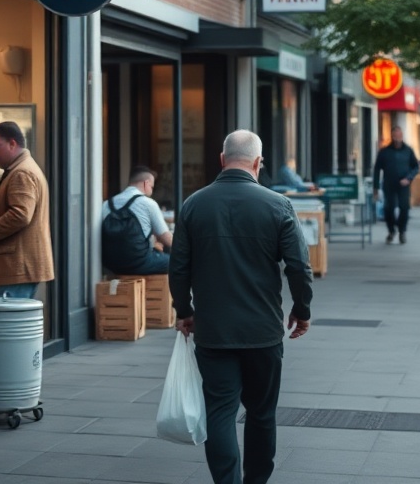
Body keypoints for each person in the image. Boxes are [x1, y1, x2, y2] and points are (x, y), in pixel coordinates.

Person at [169, 130, 313, 484]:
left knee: (219, 412)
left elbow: (178, 266)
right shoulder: (278, 205)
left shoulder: (194, 205)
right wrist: (302, 309)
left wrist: (184, 310)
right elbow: (299, 265)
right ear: (258, 163)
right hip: (262, 331)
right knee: (262, 414)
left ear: (222, 159)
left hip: (213, 331)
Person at [0, 121, 54, 298]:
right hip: (15, 269)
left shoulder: (21, 173)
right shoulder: (22, 169)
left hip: (14, 269)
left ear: (12, 144)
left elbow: (20, 215)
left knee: (6, 324)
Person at [100, 165, 173, 275]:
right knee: (176, 261)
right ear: (146, 183)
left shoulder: (106, 204)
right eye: (152, 187)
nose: (151, 191)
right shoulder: (148, 203)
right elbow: (166, 238)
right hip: (138, 263)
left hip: (109, 264)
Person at [372, 126, 420, 244]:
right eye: (394, 136)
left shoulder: (408, 150)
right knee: (388, 208)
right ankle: (391, 231)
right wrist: (375, 188)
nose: (397, 138)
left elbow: (416, 166)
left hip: (404, 184)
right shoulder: (384, 152)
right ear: (392, 136)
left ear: (402, 136)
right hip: (389, 183)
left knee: (404, 208)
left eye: (399, 136)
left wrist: (409, 178)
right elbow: (377, 169)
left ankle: (402, 231)